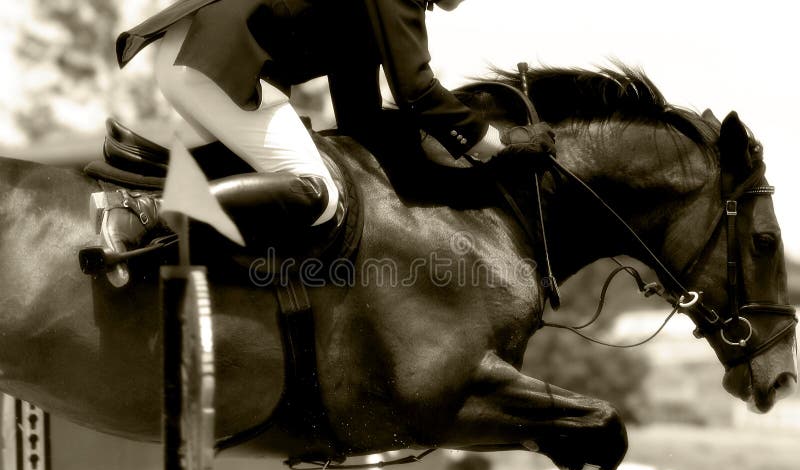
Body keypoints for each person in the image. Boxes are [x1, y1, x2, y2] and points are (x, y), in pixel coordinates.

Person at [102, 0, 556, 276]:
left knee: (289, 178)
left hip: (206, 55)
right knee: (319, 195)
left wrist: (443, 156)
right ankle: (145, 212)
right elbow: (416, 89)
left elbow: (359, 117)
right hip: (214, 60)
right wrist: (493, 143)